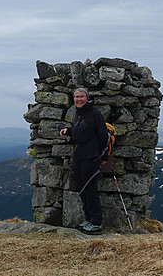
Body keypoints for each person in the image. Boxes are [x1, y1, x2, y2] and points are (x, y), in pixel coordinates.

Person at [60, 86, 108, 234]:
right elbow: (79, 133)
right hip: (78, 157)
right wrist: (68, 131)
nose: (78, 99)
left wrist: (103, 157)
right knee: (82, 189)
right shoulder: (78, 114)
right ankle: (88, 220)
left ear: (87, 98)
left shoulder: (94, 114)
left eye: (81, 96)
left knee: (90, 189)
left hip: (90, 157)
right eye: (76, 97)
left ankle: (96, 223)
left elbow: (103, 136)